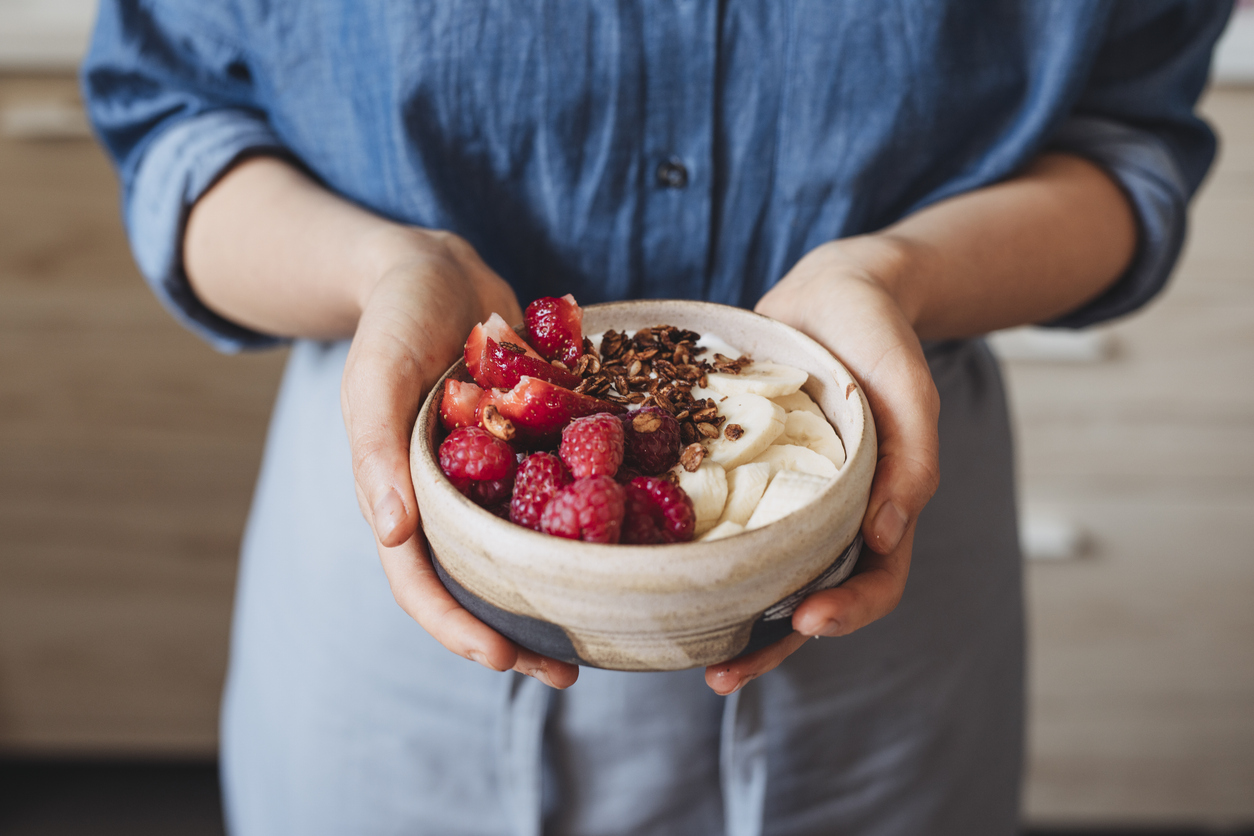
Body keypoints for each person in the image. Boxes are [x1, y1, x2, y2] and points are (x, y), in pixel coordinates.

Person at [82, 2, 1231, 834]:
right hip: (412, 565)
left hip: (879, 549)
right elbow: (177, 120)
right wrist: (392, 269)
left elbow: (1128, 139)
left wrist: (899, 277)